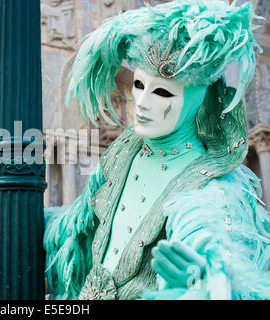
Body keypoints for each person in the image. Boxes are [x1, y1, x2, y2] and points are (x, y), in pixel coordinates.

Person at [44, 0, 270, 300]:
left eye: (162, 92)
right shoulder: (125, 151)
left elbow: (213, 244)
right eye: (139, 85)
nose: (142, 102)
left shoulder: (214, 188)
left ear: (197, 99)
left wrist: (206, 281)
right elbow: (80, 223)